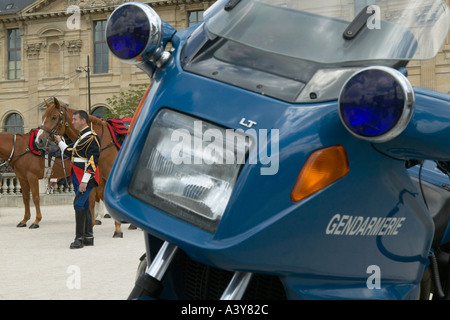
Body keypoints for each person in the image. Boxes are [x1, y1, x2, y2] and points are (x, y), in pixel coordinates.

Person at [55, 110, 100, 249]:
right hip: (76, 174)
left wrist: (85, 181)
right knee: (84, 204)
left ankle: (79, 239)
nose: (72, 122)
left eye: (75, 119)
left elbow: (93, 162)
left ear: (83, 121)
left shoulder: (92, 138)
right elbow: (71, 153)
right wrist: (60, 142)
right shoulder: (81, 137)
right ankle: (88, 237)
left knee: (78, 204)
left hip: (85, 177)